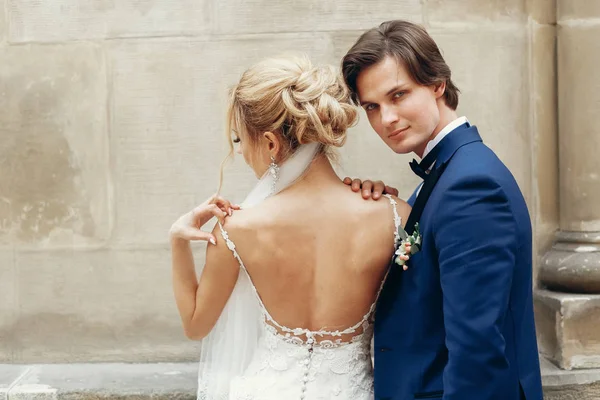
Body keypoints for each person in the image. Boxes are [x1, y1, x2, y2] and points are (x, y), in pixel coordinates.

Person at [169, 55, 412, 399]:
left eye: (240, 141)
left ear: (270, 143)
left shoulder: (237, 228)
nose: (240, 153)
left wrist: (178, 241)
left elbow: (196, 326)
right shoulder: (395, 214)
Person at [340, 20, 543, 400]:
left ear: (437, 84)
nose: (386, 119)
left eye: (398, 95)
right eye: (372, 106)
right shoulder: (441, 177)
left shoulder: (471, 187)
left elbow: (477, 353)